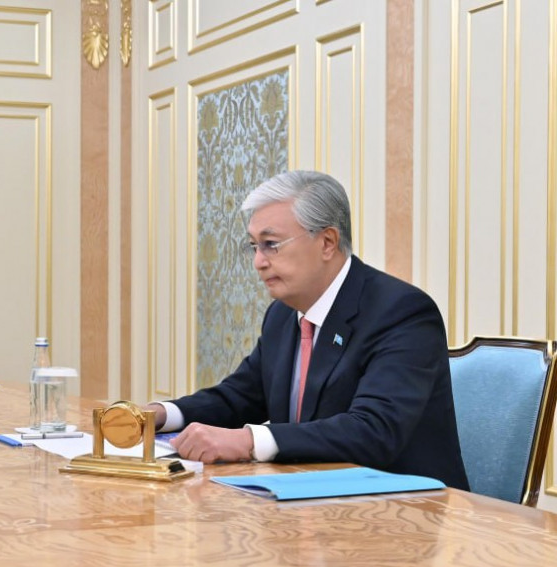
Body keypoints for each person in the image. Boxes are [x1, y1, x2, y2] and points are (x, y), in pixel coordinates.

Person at [151, 170, 469, 490]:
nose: (258, 262)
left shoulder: (401, 311)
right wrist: (156, 416)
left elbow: (374, 430)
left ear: (327, 242)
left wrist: (248, 441)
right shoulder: (282, 314)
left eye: (271, 244)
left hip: (405, 504)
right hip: (309, 498)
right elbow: (240, 397)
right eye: (254, 246)